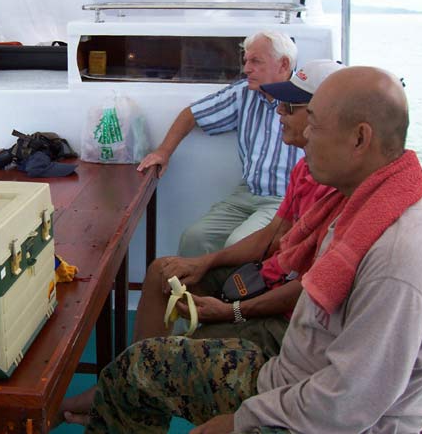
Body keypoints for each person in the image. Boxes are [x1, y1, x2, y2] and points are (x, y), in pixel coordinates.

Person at [82, 66, 422, 434]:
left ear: (360, 139)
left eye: (315, 124)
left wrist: (243, 420)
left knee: (141, 371)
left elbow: (346, 406)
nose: (306, 135)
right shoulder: (363, 210)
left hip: (307, 411)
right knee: (135, 368)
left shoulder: (396, 261)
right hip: (293, 381)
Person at [59, 59, 343, 426]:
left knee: (173, 349)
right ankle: (118, 391)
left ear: (326, 118)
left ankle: (122, 388)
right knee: (164, 270)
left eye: (291, 107)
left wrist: (232, 312)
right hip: (266, 277)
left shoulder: (339, 190)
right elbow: (271, 236)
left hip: (279, 310)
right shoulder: (306, 168)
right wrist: (205, 262)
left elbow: (308, 288)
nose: (279, 114)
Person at [138, 31, 302, 256]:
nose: (246, 69)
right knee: (194, 238)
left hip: (286, 200)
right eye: (245, 61)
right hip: (248, 192)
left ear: (283, 64)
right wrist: (164, 151)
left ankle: (222, 292)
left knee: (238, 244)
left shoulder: (305, 98)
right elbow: (191, 114)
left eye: (255, 61)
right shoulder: (244, 93)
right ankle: (186, 292)